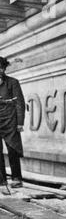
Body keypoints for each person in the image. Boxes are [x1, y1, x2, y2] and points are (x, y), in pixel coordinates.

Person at [0, 57, 25, 195]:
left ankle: (16, 178)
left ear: (4, 69)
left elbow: (19, 103)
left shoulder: (13, 83)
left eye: (1, 68)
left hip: (10, 121)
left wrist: (20, 122)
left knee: (13, 149)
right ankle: (1, 180)